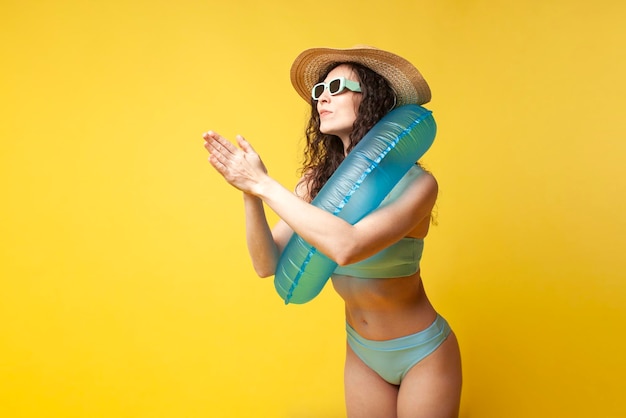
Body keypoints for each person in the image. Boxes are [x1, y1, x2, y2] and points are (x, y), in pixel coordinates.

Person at [203, 45, 462, 418]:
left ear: (372, 98)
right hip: (362, 352)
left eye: (336, 86)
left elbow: (347, 246)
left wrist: (264, 184)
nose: (322, 97)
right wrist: (250, 194)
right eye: (318, 91)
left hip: (421, 351)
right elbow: (266, 264)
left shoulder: (418, 184)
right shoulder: (315, 184)